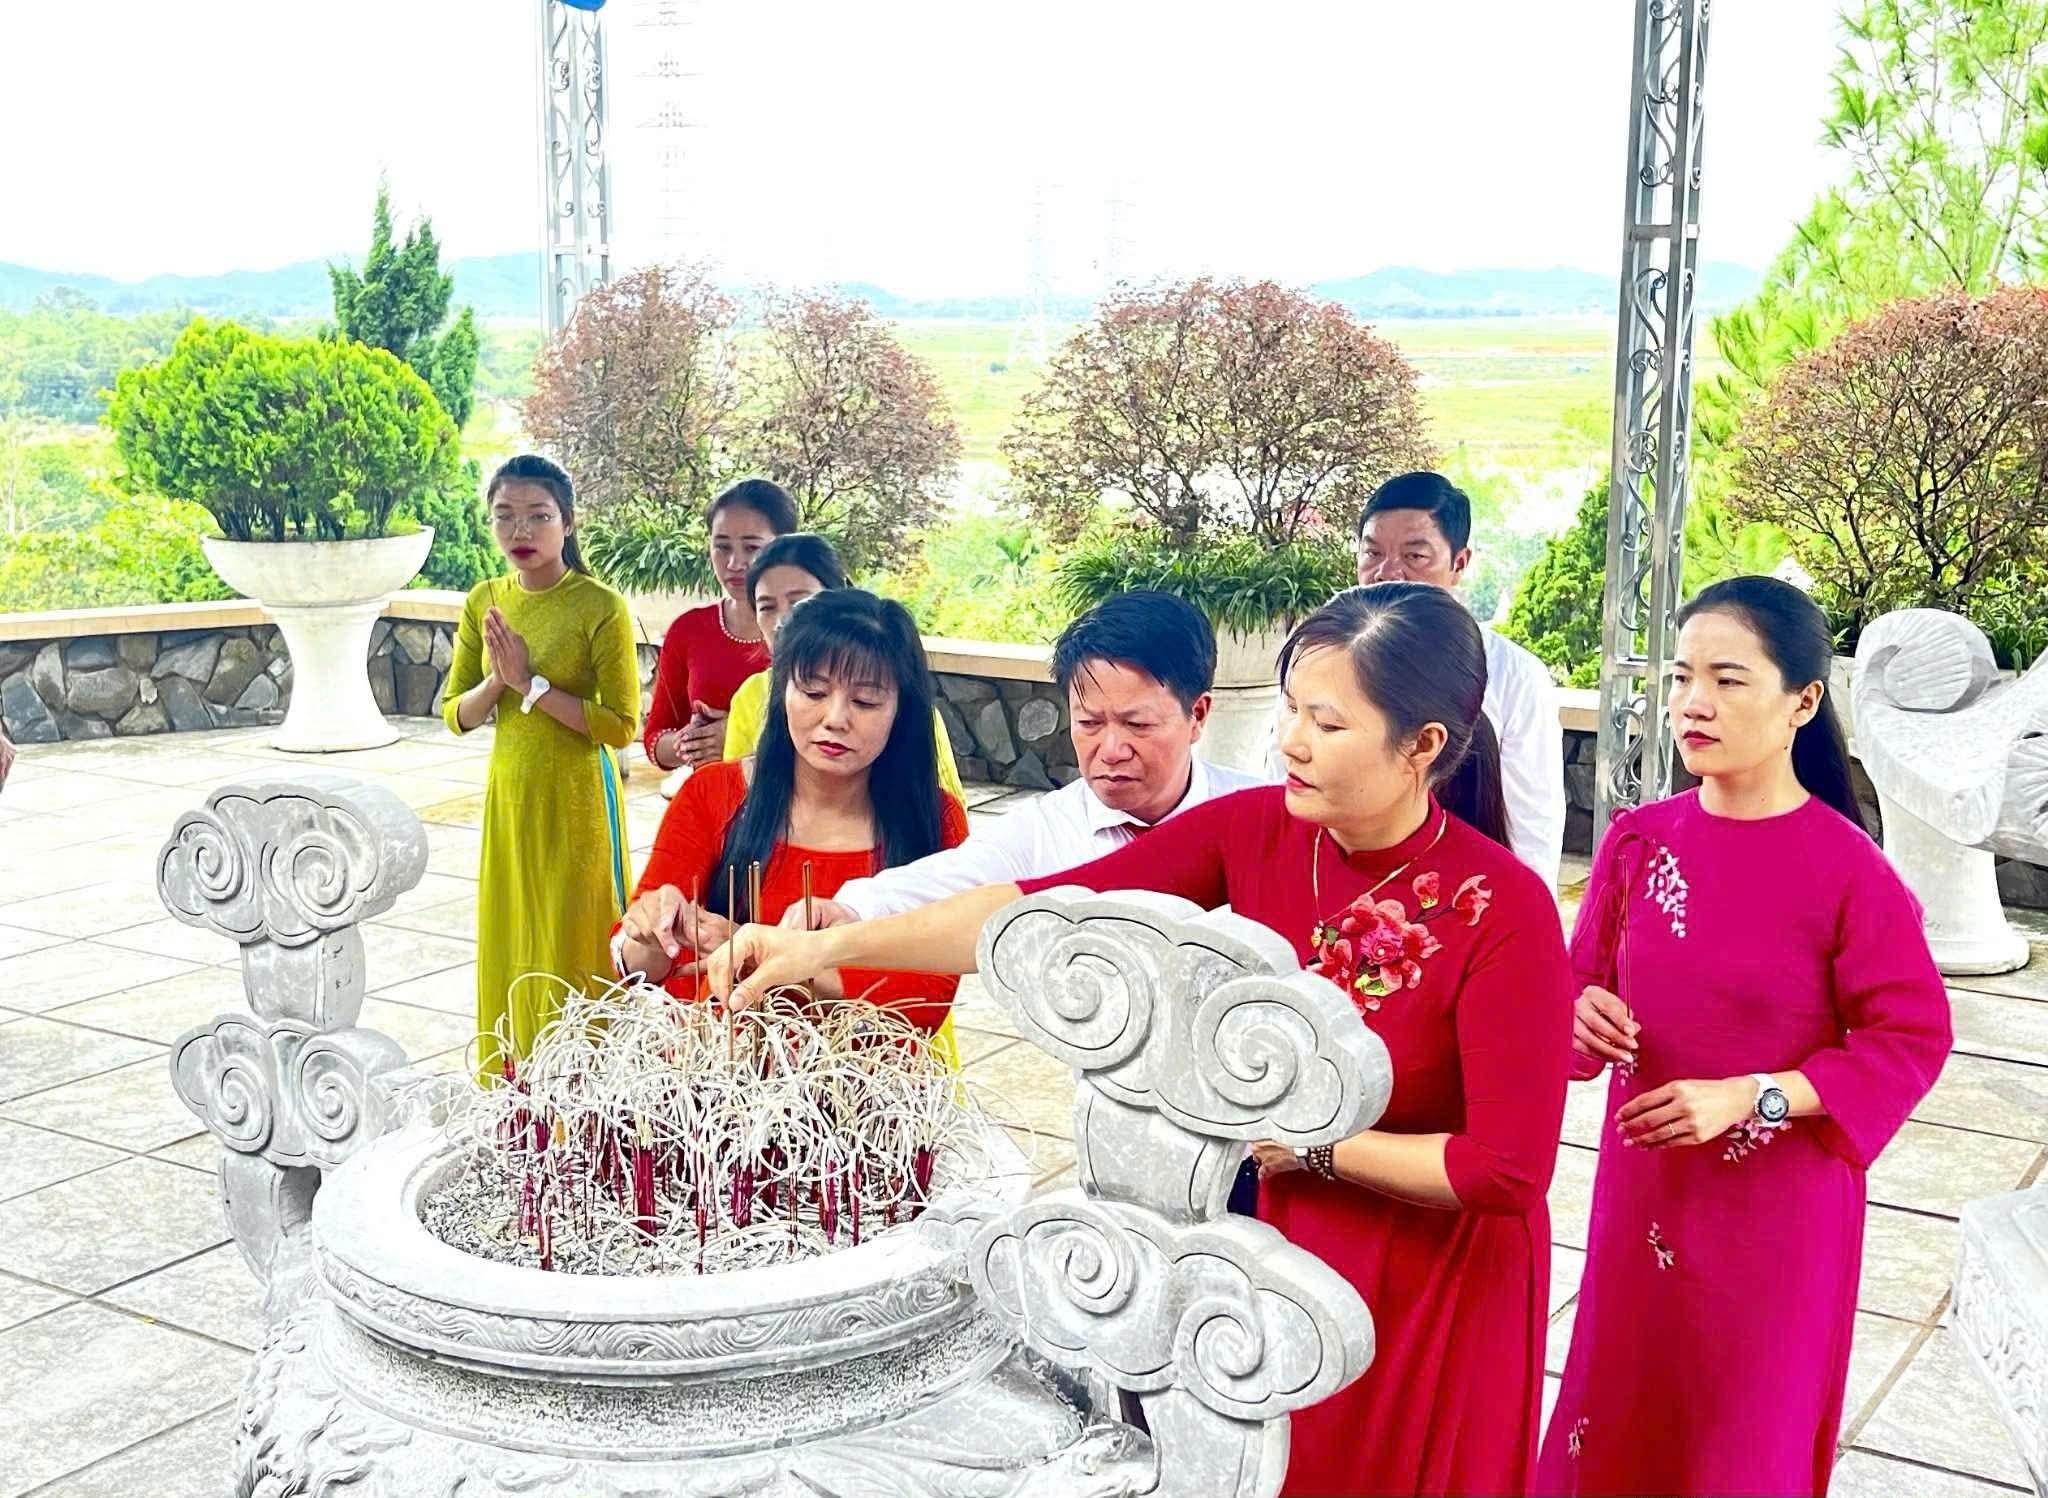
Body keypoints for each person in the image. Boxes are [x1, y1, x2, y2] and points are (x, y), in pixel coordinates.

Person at [711, 582, 1575, 1496]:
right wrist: (829, 946)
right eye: (1289, 710)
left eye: (1327, 723)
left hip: (1436, 1280)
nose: (1290, 741)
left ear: (1422, 745)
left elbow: (1505, 1169)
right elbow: (1040, 915)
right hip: (1287, 1250)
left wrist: (1315, 1147)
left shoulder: (1505, 910)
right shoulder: (1258, 831)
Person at [1538, 576, 1950, 1498]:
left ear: (1802, 701)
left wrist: (1755, 1095)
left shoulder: (1852, 874)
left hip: (1778, 1214)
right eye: (1683, 678)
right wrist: (1577, 1012)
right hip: (1645, 1193)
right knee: (1621, 1414)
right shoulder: (1639, 844)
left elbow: (1909, 1038)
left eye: (1727, 680)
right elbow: (1573, 998)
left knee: (1743, 1439)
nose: (1694, 702)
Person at [614, 588, 967, 1034]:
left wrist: (768, 956)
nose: (835, 718)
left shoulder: (935, 820)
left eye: (865, 701)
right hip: (718, 1068)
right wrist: (649, 935)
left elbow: (927, 1000)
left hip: (863, 1074)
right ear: (782, 690)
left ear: (902, 710)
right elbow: (637, 968)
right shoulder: (712, 794)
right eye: (813, 691)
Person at [800, 590, 1265, 928]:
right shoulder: (1044, 831)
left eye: (1137, 725)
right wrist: (852, 908)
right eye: (1089, 723)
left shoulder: (1264, 817)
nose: (1111, 750)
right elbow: (954, 876)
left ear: (1197, 715)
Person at [1260, 471, 1565, 887]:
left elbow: (1533, 825)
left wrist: (1526, 910)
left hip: (1460, 895)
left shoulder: (1515, 676)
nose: (1388, 573)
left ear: (1459, 563)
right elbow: (1279, 780)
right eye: (1372, 553)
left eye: (1414, 556)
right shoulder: (1318, 656)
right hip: (1329, 885)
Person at [442, 455, 640, 1075]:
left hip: (578, 796)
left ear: (569, 522)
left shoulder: (600, 606)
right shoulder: (485, 601)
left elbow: (621, 725)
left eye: (538, 516)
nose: (520, 531)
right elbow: (454, 713)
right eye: (505, 516)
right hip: (511, 795)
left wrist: (531, 685)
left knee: (575, 934)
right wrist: (499, 682)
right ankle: (516, 1090)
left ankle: (589, 1091)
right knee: (514, 928)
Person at [721, 532, 966, 804]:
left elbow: (943, 808)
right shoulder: (750, 696)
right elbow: (733, 797)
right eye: (767, 607)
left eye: (864, 701)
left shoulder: (905, 704)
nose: (782, 621)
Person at [642, 478, 799, 785]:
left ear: (785, 546)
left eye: (752, 548)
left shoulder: (817, 630)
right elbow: (655, 740)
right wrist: (690, 742)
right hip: (711, 800)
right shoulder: (689, 630)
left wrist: (741, 734)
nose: (735, 563)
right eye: (722, 547)